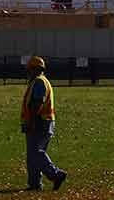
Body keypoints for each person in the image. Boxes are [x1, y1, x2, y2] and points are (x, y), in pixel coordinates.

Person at [21, 56, 67, 191]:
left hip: (40, 122)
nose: (28, 72)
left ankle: (56, 174)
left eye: (29, 69)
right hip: (45, 121)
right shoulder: (41, 81)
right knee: (33, 156)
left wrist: (32, 121)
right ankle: (35, 184)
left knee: (35, 153)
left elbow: (37, 103)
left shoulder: (39, 82)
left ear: (35, 69)